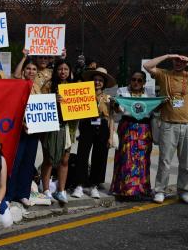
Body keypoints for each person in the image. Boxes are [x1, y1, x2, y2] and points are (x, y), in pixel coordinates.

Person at [143, 54, 188, 204]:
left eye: (182, 61)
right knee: (165, 160)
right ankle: (160, 190)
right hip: (168, 124)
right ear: (172, 61)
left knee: (186, 162)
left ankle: (183, 191)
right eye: (176, 60)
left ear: (186, 63)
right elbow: (147, 66)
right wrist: (167, 56)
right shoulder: (164, 74)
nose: (179, 63)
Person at [72, 67, 116, 199]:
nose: (97, 82)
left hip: (102, 126)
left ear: (104, 83)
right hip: (87, 125)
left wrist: (110, 136)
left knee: (100, 157)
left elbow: (111, 117)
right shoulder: (84, 94)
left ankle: (94, 186)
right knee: (82, 155)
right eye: (95, 80)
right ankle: (79, 185)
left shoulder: (109, 98)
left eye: (100, 80)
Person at [110, 71, 154, 199]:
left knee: (143, 158)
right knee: (127, 158)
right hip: (127, 126)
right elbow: (118, 110)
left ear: (144, 82)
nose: (136, 82)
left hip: (144, 129)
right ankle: (126, 190)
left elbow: (154, 110)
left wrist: (162, 102)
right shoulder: (122, 92)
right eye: (134, 79)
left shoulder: (149, 94)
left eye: (139, 80)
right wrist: (116, 104)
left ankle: (142, 189)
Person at [41, 60, 77, 204]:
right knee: (49, 159)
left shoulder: (74, 87)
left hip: (68, 127)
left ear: (70, 72)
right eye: (60, 69)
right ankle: (46, 190)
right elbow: (38, 102)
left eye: (66, 69)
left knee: (64, 159)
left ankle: (61, 191)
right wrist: (52, 99)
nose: (63, 72)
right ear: (56, 71)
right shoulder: (48, 85)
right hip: (51, 126)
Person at [7, 52, 41, 206]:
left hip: (33, 129)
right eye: (28, 68)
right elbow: (15, 75)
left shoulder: (39, 87)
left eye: (34, 69)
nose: (31, 71)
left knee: (28, 162)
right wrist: (23, 57)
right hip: (18, 129)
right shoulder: (18, 84)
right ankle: (8, 194)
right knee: (15, 161)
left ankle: (23, 193)